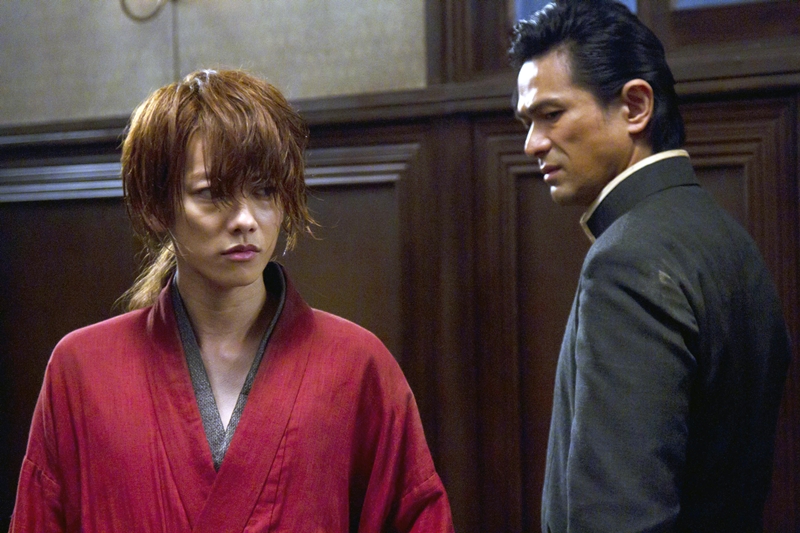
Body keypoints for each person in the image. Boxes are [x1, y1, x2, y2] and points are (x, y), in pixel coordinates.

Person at [10, 69, 454, 532]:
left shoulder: (356, 365)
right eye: (212, 194)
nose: (245, 219)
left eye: (264, 191)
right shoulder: (83, 369)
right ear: (157, 206)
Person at [509, 1, 791, 531]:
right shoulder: (730, 238)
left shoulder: (626, 259)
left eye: (551, 115)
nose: (532, 144)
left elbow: (619, 517)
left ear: (635, 107)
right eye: (527, 122)